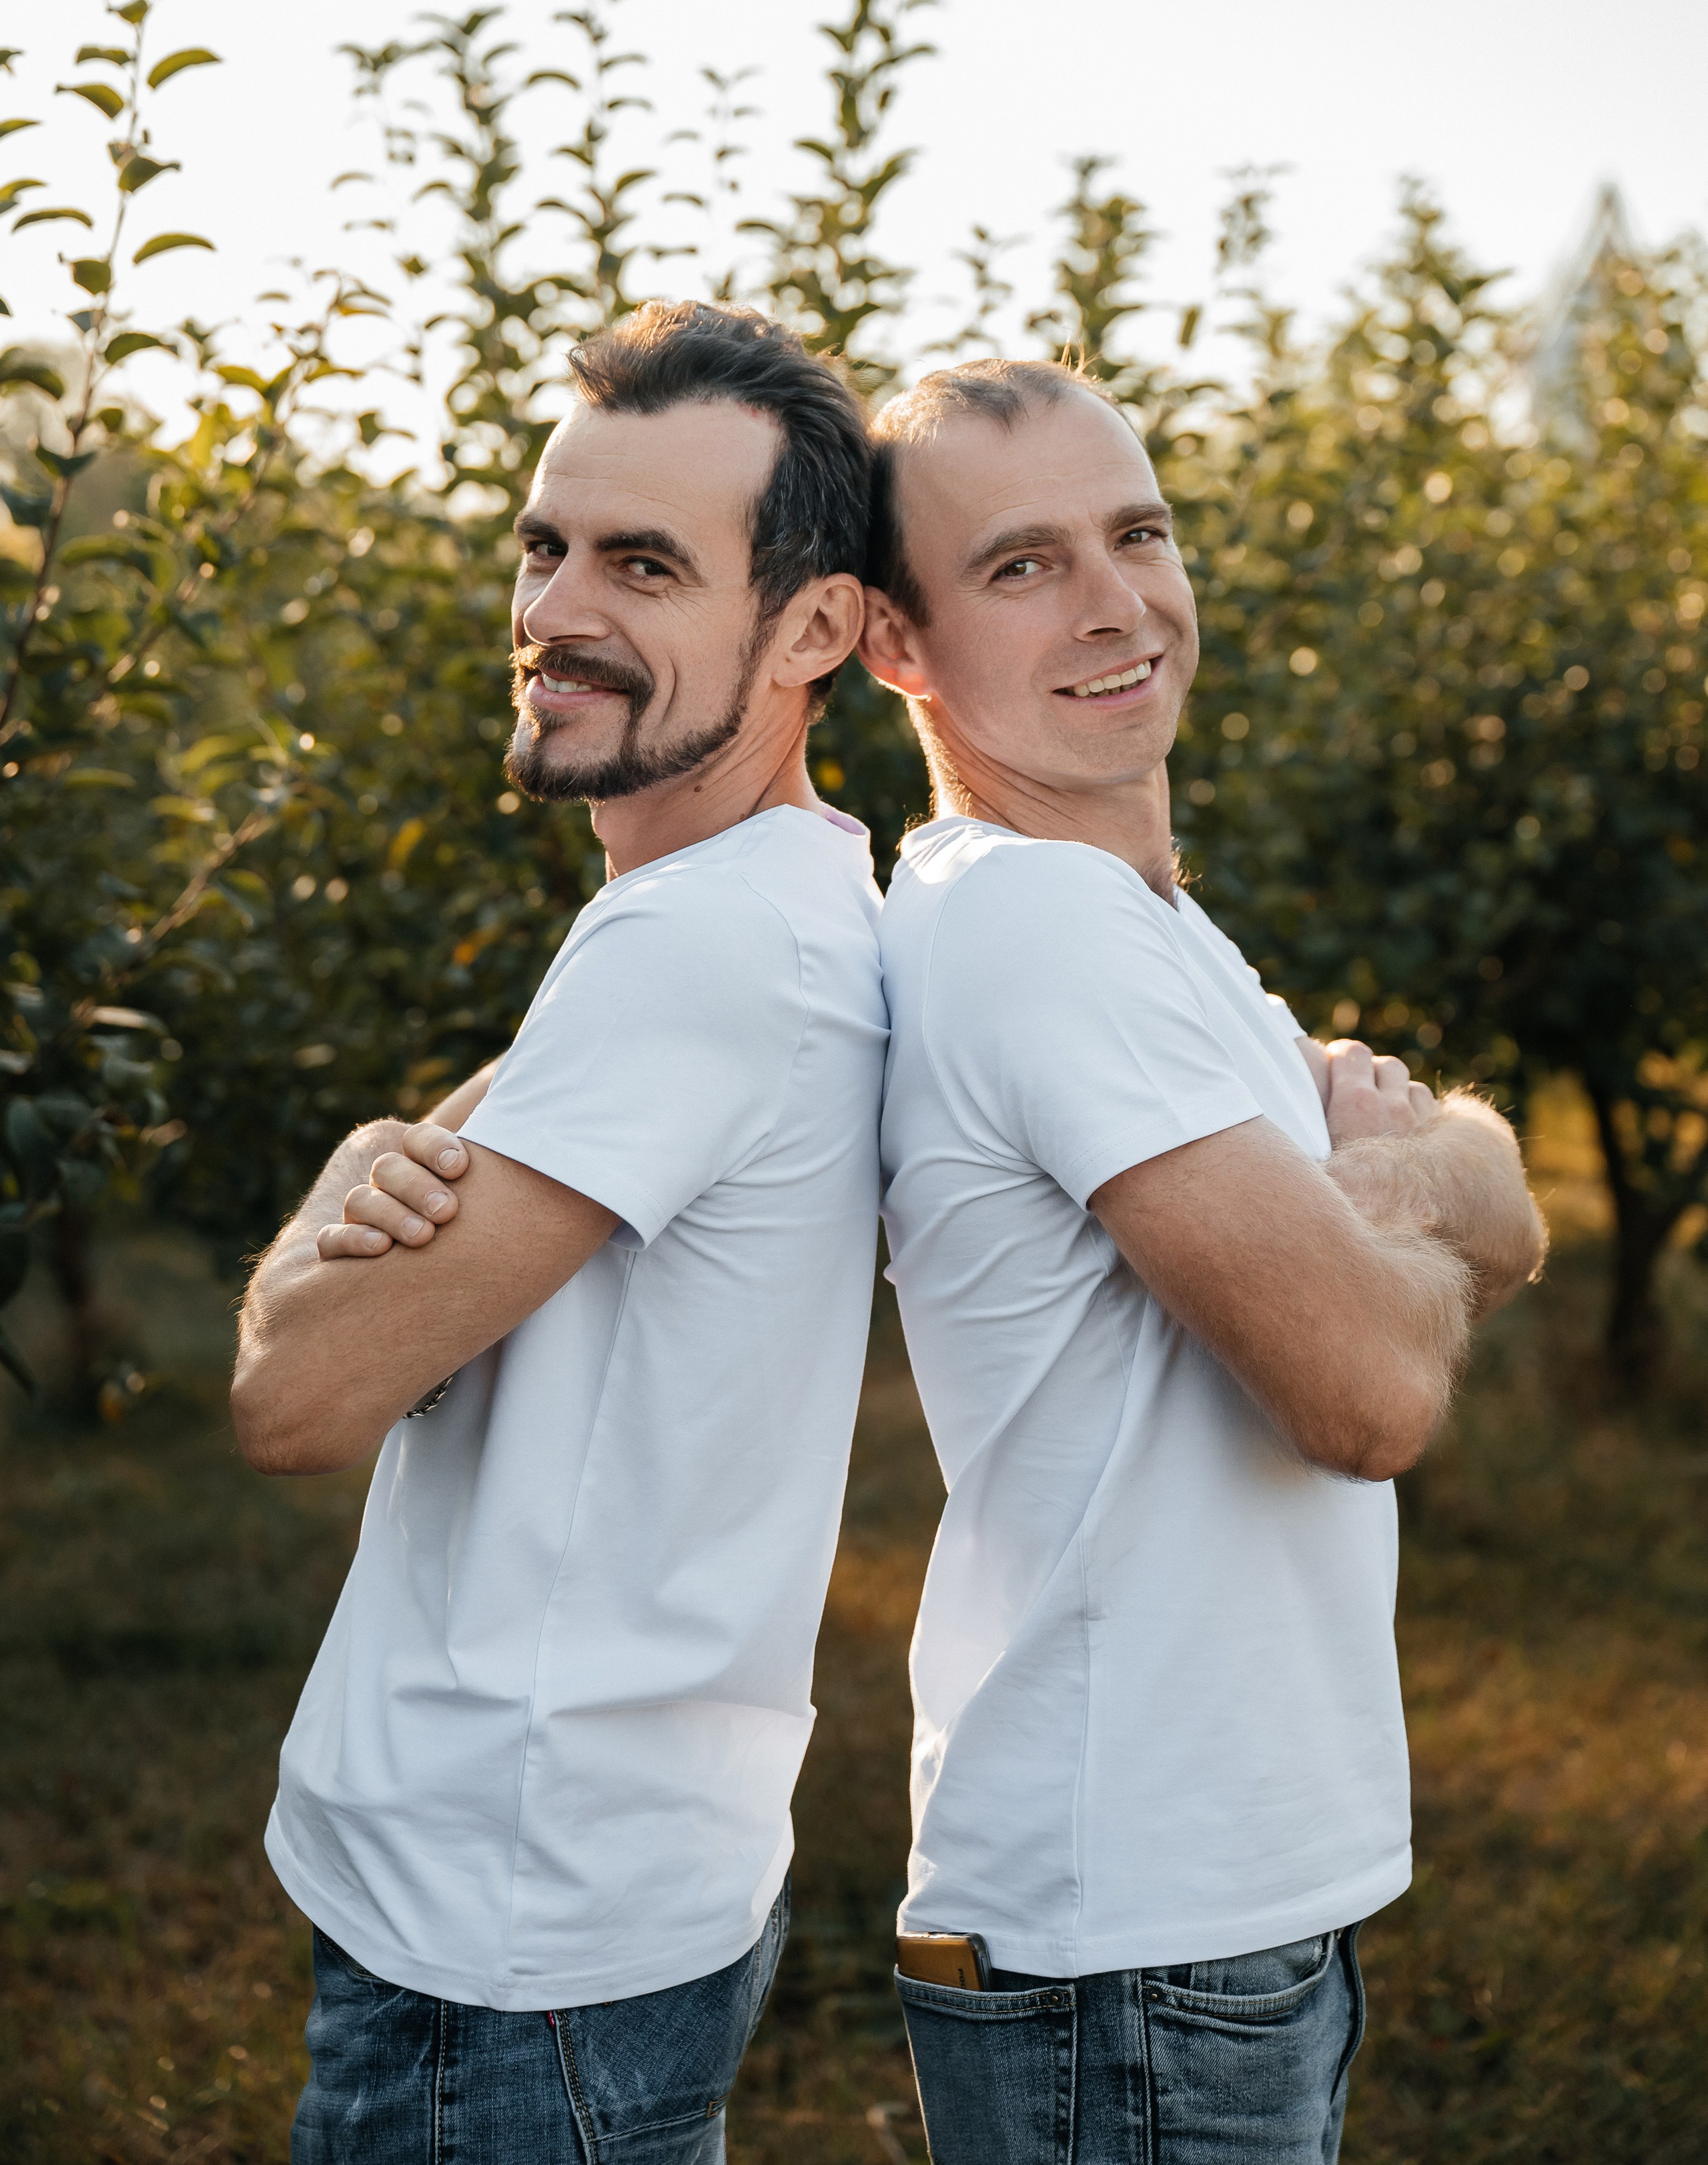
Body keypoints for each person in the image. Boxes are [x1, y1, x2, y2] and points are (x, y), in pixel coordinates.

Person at [856, 358, 1546, 2164]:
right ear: (894, 645)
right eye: (1021, 566)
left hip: (1198, 1914)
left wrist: (1380, 1182)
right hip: (1137, 1932)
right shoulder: (1038, 926)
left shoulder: (1153, 925)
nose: (1117, 603)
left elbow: (1518, 1220)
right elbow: (1375, 1389)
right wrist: (1397, 1186)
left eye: (1138, 532)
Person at [233, 302, 888, 2165]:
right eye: (546, 546)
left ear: (817, 628)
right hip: (616, 1870)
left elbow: (298, 1394)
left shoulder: (703, 941)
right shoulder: (774, 897)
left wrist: (348, 1181)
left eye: (647, 564)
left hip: (502, 1931)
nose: (557, 612)